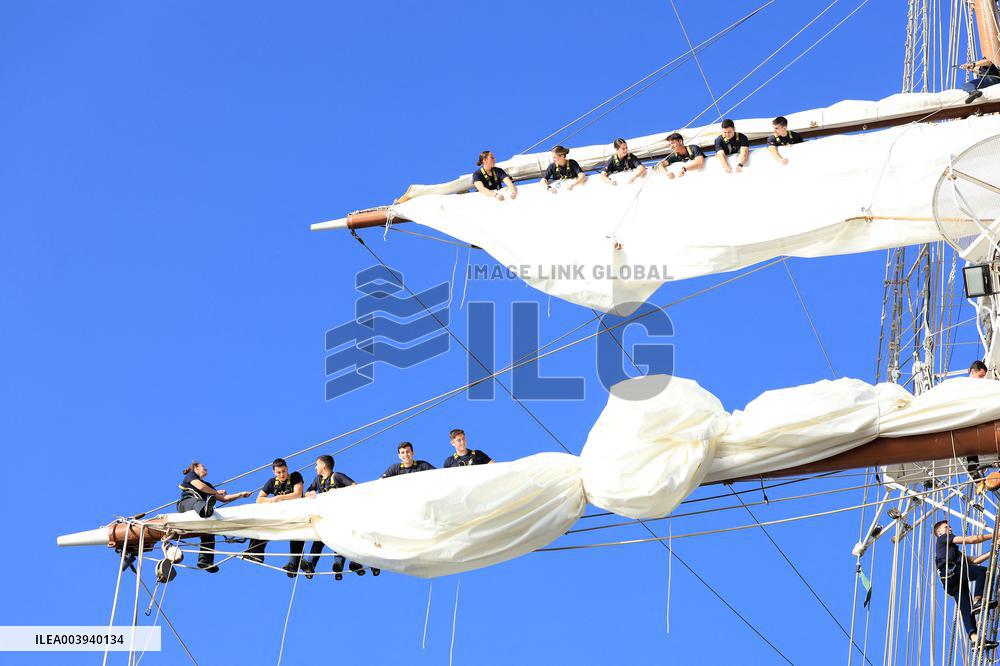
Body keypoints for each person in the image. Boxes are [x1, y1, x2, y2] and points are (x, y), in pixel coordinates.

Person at [302, 455, 375, 580]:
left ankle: (338, 564)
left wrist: (338, 493)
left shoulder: (337, 476)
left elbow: (355, 486)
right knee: (319, 539)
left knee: (340, 538)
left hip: (340, 516)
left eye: (317, 464)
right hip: (325, 517)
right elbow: (306, 493)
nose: (315, 467)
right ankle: (311, 564)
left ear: (323, 465)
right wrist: (310, 492)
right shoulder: (318, 480)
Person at [177, 461, 253, 573]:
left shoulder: (208, 485)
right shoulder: (191, 476)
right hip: (186, 504)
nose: (206, 469)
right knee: (198, 502)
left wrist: (240, 494)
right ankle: (206, 510)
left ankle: (205, 561)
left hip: (200, 510)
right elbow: (201, 487)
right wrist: (216, 492)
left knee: (209, 534)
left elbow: (224, 498)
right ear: (196, 468)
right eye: (203, 467)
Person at [934, 520, 998, 649]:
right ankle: (978, 600)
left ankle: (975, 639)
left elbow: (976, 560)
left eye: (950, 527)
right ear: (939, 532)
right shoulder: (943, 538)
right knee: (983, 572)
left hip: (951, 581)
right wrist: (995, 534)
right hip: (953, 572)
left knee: (966, 609)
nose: (950, 529)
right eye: (946, 527)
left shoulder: (954, 553)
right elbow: (972, 539)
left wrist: (995, 547)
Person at [244, 458, 305, 577]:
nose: (282, 475)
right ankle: (256, 553)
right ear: (274, 472)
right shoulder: (272, 482)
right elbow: (259, 499)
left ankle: (293, 565)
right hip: (281, 515)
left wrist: (278, 498)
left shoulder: (295, 477)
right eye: (279, 472)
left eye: (284, 471)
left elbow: (297, 494)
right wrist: (270, 500)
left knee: (297, 536)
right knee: (262, 524)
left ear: (287, 469)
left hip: (296, 514)